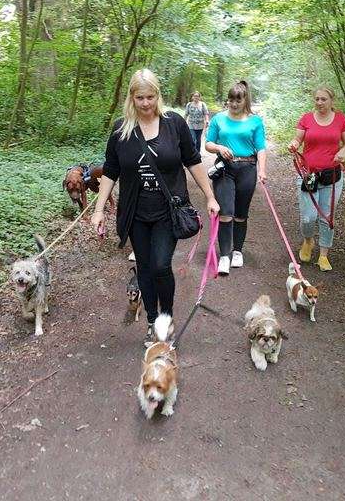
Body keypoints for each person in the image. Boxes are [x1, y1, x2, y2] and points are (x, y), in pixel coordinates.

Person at [91, 69, 220, 344]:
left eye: (150, 97)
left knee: (161, 265)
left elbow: (193, 161)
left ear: (157, 95)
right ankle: (152, 320)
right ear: (131, 98)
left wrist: (210, 196)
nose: (146, 103)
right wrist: (99, 210)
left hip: (168, 210)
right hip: (134, 212)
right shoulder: (121, 130)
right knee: (145, 267)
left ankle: (166, 319)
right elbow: (111, 171)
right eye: (140, 98)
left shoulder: (174, 124)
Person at [287, 87, 345, 272]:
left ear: (332, 100)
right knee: (308, 216)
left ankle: (324, 255)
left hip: (332, 176)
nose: (319, 102)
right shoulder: (307, 118)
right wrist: (294, 144)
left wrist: (343, 151)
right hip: (308, 175)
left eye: (323, 99)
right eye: (317, 99)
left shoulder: (341, 119)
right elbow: (297, 139)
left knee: (327, 216)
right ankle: (308, 241)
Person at [205, 80, 267, 275]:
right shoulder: (219, 119)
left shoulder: (255, 122)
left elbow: (261, 148)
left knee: (241, 213)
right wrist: (219, 147)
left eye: (238, 100)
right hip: (225, 169)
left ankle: (237, 251)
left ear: (245, 100)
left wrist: (262, 170)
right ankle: (224, 256)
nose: (233, 104)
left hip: (247, 168)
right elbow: (208, 143)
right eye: (231, 100)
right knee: (225, 211)